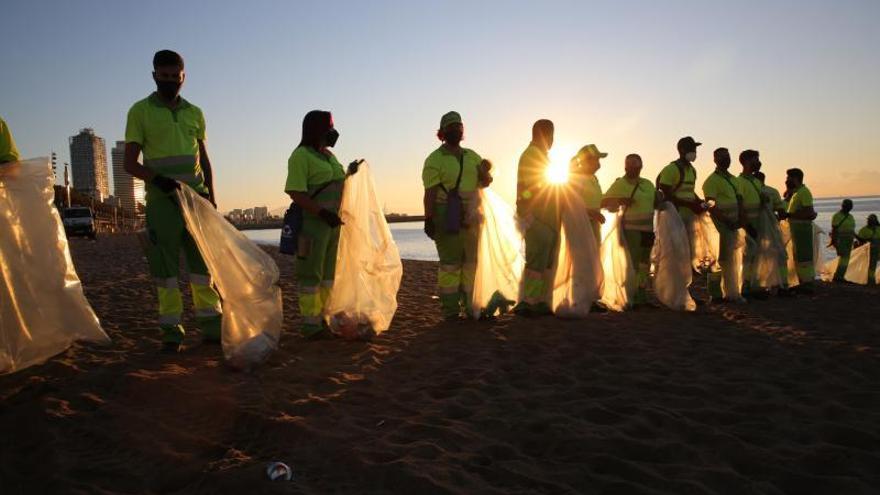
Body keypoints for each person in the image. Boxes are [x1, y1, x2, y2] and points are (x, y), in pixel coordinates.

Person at [124, 50, 222, 350]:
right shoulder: (140, 111)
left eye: (175, 77)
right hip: (162, 202)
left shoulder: (195, 112)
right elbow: (129, 164)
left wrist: (212, 199)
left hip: (196, 200)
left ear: (184, 77)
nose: (170, 82)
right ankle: (172, 334)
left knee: (202, 269)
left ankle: (212, 329)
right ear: (154, 76)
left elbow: (204, 159)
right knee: (165, 272)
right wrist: (158, 180)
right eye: (164, 77)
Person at [285, 110, 361, 339]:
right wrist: (320, 212)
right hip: (312, 225)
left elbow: (336, 185)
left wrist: (350, 173)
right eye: (328, 127)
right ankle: (311, 324)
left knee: (328, 276)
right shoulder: (300, 156)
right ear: (316, 130)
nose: (332, 132)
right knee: (310, 275)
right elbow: (296, 192)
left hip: (332, 226)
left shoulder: (329, 156)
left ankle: (325, 318)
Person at [422, 111, 492, 320]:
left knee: (471, 262)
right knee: (450, 264)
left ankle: (471, 306)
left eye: (459, 126)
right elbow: (430, 193)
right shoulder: (434, 159)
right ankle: (451, 310)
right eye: (451, 127)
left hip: (473, 215)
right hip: (447, 214)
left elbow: (485, 182)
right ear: (442, 133)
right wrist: (429, 219)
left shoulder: (472, 156)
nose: (456, 130)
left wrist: (486, 174)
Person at [601, 154, 659, 306]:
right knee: (632, 263)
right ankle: (629, 296)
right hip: (630, 229)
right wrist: (621, 200)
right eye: (630, 165)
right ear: (625, 167)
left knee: (644, 264)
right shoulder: (620, 184)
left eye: (636, 165)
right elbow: (604, 201)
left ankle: (641, 295)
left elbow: (655, 202)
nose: (633, 168)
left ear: (641, 167)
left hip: (648, 229)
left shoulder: (647, 184)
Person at [513, 119, 558, 316]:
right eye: (552, 135)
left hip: (547, 217)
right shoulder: (532, 155)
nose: (553, 140)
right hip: (537, 217)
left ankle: (540, 301)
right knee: (535, 260)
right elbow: (529, 188)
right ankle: (528, 302)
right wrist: (528, 215)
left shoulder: (542, 156)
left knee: (545, 262)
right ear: (545, 135)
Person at [701, 148, 745, 303]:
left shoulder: (734, 179)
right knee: (717, 261)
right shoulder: (711, 181)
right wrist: (727, 221)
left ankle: (732, 291)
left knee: (731, 259)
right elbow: (710, 205)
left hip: (734, 225)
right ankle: (715, 294)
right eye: (721, 157)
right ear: (715, 160)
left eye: (727, 156)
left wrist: (740, 219)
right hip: (719, 226)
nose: (725, 159)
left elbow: (740, 200)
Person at [657, 136, 708, 253]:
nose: (694, 152)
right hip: (674, 218)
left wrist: (700, 202)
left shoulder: (692, 170)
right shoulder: (671, 169)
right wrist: (689, 205)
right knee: (675, 251)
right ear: (682, 150)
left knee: (690, 250)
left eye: (695, 149)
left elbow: (689, 191)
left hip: (689, 218)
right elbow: (666, 195)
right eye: (692, 149)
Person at [754, 171, 791, 294]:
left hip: (755, 228)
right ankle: (782, 283)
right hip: (770, 228)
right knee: (780, 255)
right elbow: (781, 211)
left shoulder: (750, 189)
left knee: (756, 257)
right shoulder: (772, 191)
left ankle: (757, 283)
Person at [737, 149, 767, 299]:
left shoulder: (756, 181)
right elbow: (740, 206)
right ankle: (745, 286)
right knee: (747, 256)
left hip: (759, 224)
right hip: (747, 225)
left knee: (756, 255)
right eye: (755, 159)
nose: (758, 162)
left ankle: (754, 284)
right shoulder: (740, 182)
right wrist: (747, 226)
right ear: (746, 161)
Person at [785, 168, 818, 292]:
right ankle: (803, 282)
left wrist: (789, 215)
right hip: (797, 230)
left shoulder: (804, 192)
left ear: (795, 178)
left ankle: (807, 283)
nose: (786, 180)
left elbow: (808, 211)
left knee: (804, 257)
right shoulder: (797, 192)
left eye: (788, 178)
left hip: (803, 230)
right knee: (799, 256)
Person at [570, 144, 607, 244]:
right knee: (583, 258)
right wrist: (591, 213)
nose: (599, 164)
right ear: (587, 161)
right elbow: (570, 204)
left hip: (593, 225)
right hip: (580, 227)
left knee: (594, 257)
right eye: (597, 159)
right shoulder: (576, 178)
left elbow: (595, 200)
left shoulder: (593, 178)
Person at [830, 199, 856, 282]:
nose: (849, 207)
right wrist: (834, 241)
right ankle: (838, 276)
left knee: (846, 259)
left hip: (849, 240)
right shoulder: (837, 216)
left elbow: (851, 230)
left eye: (850, 206)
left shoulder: (850, 216)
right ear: (843, 206)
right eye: (848, 205)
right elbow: (834, 229)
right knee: (843, 257)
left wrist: (859, 239)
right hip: (841, 240)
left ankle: (840, 276)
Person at [855, 214, 880, 285]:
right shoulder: (864, 230)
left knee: (872, 266)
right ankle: (871, 281)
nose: (871, 221)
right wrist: (855, 235)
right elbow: (860, 240)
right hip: (870, 250)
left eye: (873, 220)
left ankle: (872, 280)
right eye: (870, 220)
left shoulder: (878, 228)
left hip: (877, 249)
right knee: (872, 266)